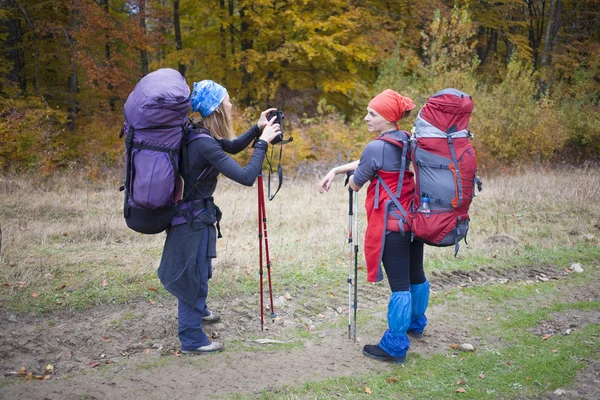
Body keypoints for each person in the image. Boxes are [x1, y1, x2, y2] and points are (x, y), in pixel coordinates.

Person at [158, 80, 282, 354]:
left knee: (201, 269)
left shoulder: (198, 133)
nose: (231, 104)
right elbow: (247, 176)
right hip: (191, 221)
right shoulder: (204, 144)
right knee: (194, 275)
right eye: (227, 100)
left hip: (195, 216)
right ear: (217, 108)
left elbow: (232, 146)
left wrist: (256, 129)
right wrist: (262, 143)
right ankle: (192, 339)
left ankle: (198, 311)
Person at [318, 89, 430, 364]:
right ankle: (417, 323)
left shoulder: (376, 147)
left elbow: (358, 180)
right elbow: (372, 162)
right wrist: (336, 169)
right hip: (414, 222)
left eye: (372, 114)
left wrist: (350, 178)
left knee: (400, 287)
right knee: (416, 275)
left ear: (388, 118)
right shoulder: (406, 140)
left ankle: (394, 346)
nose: (366, 118)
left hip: (391, 228)